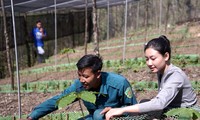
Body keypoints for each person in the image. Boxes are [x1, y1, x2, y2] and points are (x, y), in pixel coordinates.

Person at [105, 35, 197, 120]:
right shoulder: (161, 71)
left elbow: (159, 103)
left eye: (153, 59)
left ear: (166, 56)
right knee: (143, 103)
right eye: (147, 59)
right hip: (171, 110)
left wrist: (122, 110)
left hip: (187, 114)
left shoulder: (176, 76)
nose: (149, 63)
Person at [27, 54, 137, 120]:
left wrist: (116, 111)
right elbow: (59, 100)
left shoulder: (119, 83)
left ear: (98, 74)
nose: (81, 80)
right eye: (79, 75)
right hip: (93, 118)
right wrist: (33, 116)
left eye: (85, 76)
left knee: (99, 115)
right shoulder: (80, 85)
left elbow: (134, 109)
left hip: (117, 118)